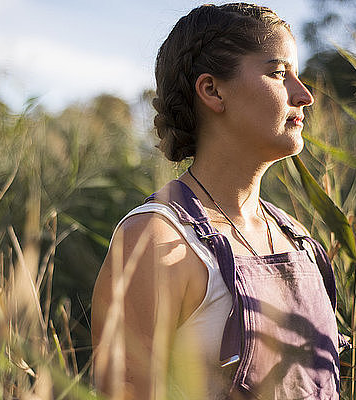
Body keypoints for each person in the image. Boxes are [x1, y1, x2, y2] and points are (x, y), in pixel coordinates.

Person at [91, 3, 341, 399]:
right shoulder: (153, 239)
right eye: (279, 73)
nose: (304, 95)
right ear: (212, 90)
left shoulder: (299, 240)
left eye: (299, 75)